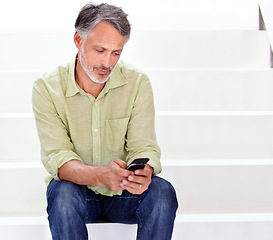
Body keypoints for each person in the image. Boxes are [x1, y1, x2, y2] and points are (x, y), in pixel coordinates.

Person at [32, 2, 178, 240]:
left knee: (162, 191)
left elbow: (144, 147)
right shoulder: (47, 87)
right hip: (78, 195)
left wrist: (144, 173)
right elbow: (57, 157)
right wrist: (101, 175)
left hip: (125, 196)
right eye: (100, 50)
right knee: (62, 193)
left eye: (116, 52)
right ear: (78, 40)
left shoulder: (138, 83)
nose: (107, 63)